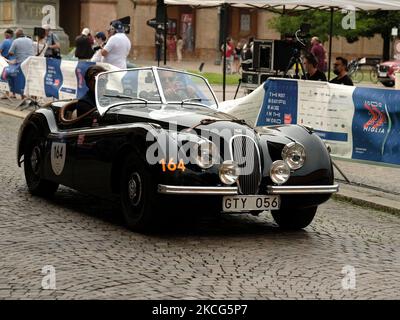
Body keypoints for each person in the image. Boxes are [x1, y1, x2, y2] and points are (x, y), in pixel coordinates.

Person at [7, 28, 34, 99]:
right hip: (31, 62)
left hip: (21, 63)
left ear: (17, 35)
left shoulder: (16, 41)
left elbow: (10, 52)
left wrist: (15, 54)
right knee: (30, 79)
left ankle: (23, 96)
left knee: (20, 79)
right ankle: (32, 96)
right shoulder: (30, 40)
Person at [0, 29, 15, 99]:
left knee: (4, 77)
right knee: (13, 77)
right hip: (14, 62)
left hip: (6, 61)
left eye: (5, 34)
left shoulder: (5, 41)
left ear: (7, 34)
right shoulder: (14, 41)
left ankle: (6, 94)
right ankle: (14, 94)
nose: (4, 35)